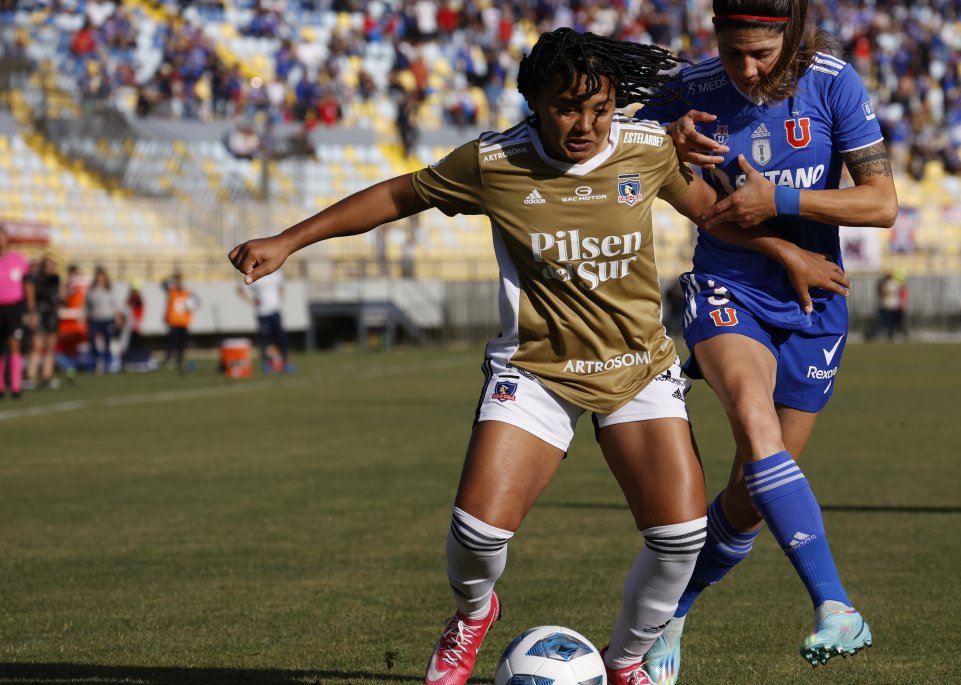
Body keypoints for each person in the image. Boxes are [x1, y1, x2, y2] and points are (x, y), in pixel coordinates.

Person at [228, 28, 843, 685]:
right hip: (536, 370)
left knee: (679, 538)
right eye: (566, 107)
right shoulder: (496, 162)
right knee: (476, 534)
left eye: (600, 107)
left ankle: (627, 659)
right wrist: (290, 239)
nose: (586, 124)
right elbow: (398, 196)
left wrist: (784, 250)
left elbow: (709, 213)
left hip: (636, 367)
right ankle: (472, 612)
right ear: (535, 102)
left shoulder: (646, 149)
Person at [637, 0, 898, 677]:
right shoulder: (691, 90)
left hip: (816, 299)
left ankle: (670, 612)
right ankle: (836, 605)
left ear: (793, 36)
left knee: (749, 499)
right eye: (733, 54)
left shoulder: (836, 82)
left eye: (762, 54)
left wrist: (780, 203)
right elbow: (606, 151)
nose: (748, 69)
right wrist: (663, 139)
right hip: (729, 286)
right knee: (757, 429)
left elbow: (880, 202)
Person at [0, 227, 35, 398]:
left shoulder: (19, 260)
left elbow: (28, 286)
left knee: (15, 345)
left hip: (14, 308)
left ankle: (15, 386)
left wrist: (31, 311)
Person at [237, 269, 293, 373]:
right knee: (265, 339)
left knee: (281, 337)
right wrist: (250, 300)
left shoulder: (276, 271)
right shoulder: (253, 273)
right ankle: (266, 363)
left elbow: (281, 287)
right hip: (262, 313)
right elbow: (239, 289)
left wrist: (280, 302)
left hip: (275, 311)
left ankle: (285, 362)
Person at [27, 256, 64, 389]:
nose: (50, 268)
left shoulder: (56, 278)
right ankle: (31, 376)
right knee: (37, 345)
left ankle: (47, 376)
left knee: (50, 346)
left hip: (51, 313)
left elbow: (61, 296)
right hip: (39, 311)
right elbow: (31, 297)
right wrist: (32, 314)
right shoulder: (36, 279)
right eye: (47, 265)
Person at [85, 267, 118, 375]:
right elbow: (87, 306)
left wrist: (117, 318)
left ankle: (108, 363)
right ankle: (97, 361)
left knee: (107, 342)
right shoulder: (92, 291)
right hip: (95, 319)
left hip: (107, 319)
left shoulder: (109, 290)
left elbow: (114, 306)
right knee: (92, 340)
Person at [163, 272, 198, 374]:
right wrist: (172, 277)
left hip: (183, 322)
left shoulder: (187, 293)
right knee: (171, 342)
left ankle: (180, 359)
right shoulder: (172, 291)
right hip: (174, 322)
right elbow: (163, 284)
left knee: (182, 343)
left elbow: (195, 303)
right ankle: (170, 358)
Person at [875, 270, 906, 341]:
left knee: (893, 322)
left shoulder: (894, 283)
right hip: (886, 305)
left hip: (893, 305)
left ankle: (893, 334)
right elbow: (881, 291)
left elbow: (900, 290)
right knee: (885, 322)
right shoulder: (884, 283)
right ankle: (887, 334)